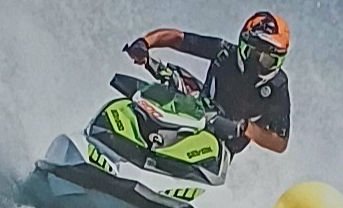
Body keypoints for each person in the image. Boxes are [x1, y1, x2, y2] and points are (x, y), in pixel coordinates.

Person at [97, 11, 292, 174]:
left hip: (221, 146)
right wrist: (145, 43)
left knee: (205, 144)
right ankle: (114, 141)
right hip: (198, 112)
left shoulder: (278, 86)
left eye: (269, 61)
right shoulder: (225, 53)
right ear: (244, 47)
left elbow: (281, 142)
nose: (260, 65)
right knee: (172, 80)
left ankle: (168, 179)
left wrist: (246, 128)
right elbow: (179, 39)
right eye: (257, 57)